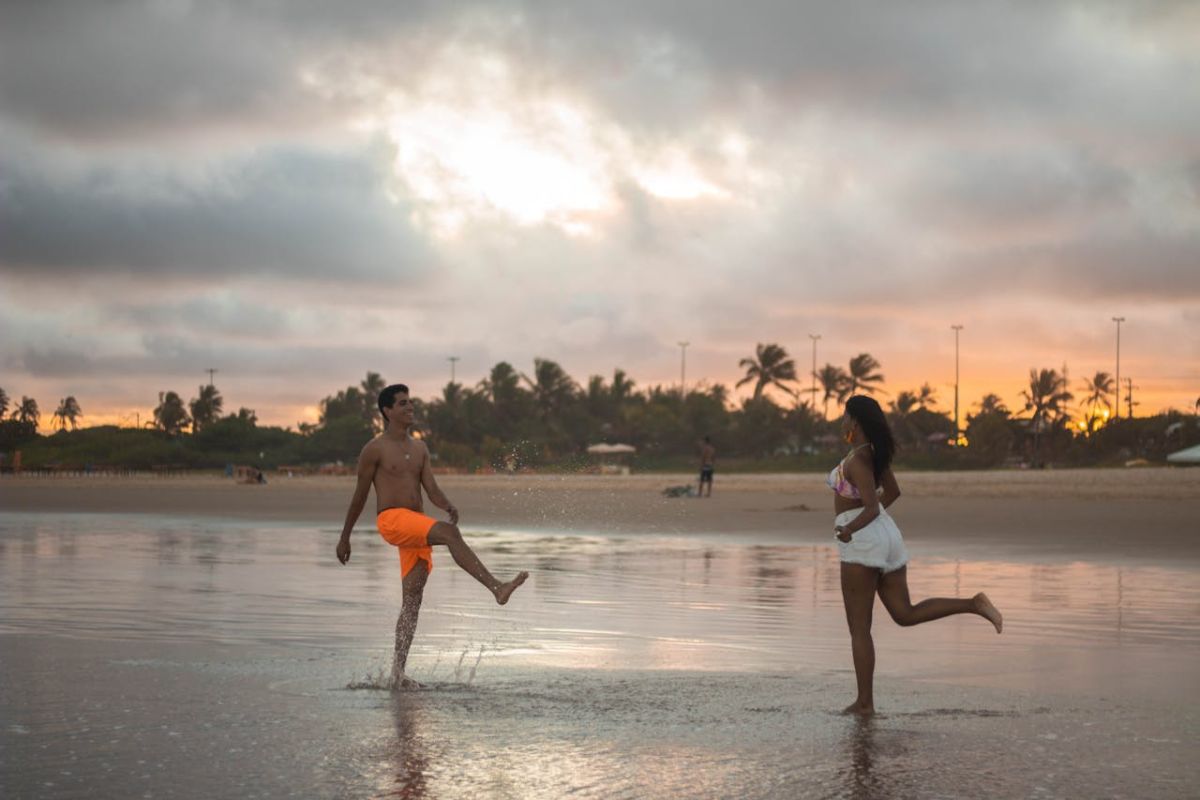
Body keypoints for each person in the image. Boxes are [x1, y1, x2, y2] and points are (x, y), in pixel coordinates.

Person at [336, 383, 528, 689]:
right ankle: (496, 587)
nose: (410, 407)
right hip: (392, 520)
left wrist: (446, 504)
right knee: (450, 534)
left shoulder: (420, 448)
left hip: (417, 525)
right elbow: (359, 495)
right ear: (387, 411)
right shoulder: (374, 449)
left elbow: (430, 488)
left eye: (410, 402)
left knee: (412, 601)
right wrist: (345, 536)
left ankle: (396, 676)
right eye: (402, 404)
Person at [831, 395, 1002, 715]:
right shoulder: (873, 457)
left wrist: (850, 530)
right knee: (904, 613)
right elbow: (891, 493)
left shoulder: (856, 461)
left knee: (859, 629)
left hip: (862, 541)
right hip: (886, 535)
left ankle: (864, 703)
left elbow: (870, 506)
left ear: (855, 421)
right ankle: (973, 603)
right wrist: (868, 524)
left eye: (845, 416)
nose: (842, 422)